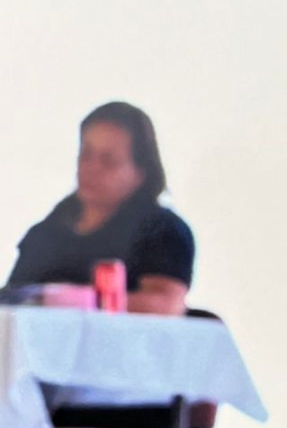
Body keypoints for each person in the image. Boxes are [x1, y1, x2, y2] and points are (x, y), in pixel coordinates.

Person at [7, 101, 194, 314]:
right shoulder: (46, 233)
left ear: (140, 173)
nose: (91, 168)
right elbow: (11, 301)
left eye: (108, 160)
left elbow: (166, 305)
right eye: (86, 154)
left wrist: (74, 301)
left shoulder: (162, 231)